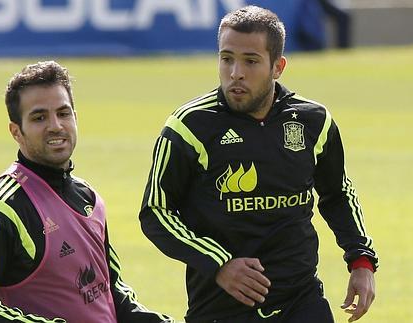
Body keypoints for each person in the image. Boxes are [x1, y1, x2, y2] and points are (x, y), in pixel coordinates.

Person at [139, 5, 377, 323]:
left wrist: (361, 260)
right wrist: (219, 263)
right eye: (227, 59)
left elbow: (337, 194)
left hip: (301, 301)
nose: (236, 72)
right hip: (220, 309)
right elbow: (156, 212)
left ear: (277, 67)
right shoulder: (189, 126)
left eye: (250, 61)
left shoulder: (313, 121)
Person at [0, 60, 173, 323]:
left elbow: (109, 288)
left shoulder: (89, 197)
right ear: (15, 131)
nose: (55, 125)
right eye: (39, 117)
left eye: (63, 113)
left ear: (76, 118)